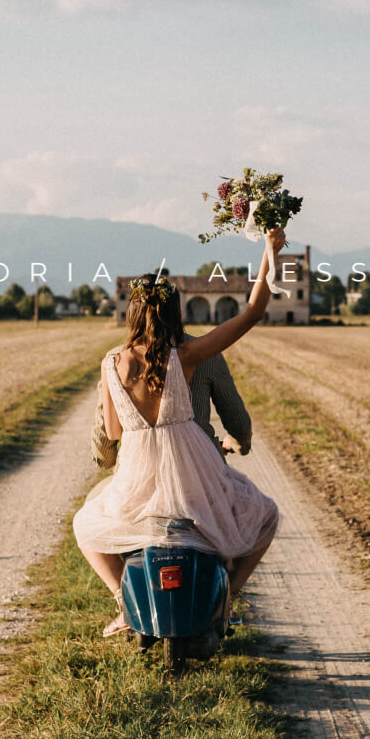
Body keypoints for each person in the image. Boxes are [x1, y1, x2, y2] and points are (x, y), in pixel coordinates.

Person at [73, 227, 287, 637]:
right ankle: (226, 601)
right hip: (194, 472)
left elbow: (115, 433)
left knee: (87, 525)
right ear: (176, 314)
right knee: (265, 516)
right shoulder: (187, 355)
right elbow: (253, 312)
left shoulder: (110, 363)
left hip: (138, 477)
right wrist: (268, 251)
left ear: (132, 314)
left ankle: (124, 600)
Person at [91, 345, 250, 469]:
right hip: (203, 469)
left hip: (135, 474)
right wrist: (235, 444)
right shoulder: (207, 354)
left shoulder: (114, 359)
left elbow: (103, 449)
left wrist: (109, 459)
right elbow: (240, 425)